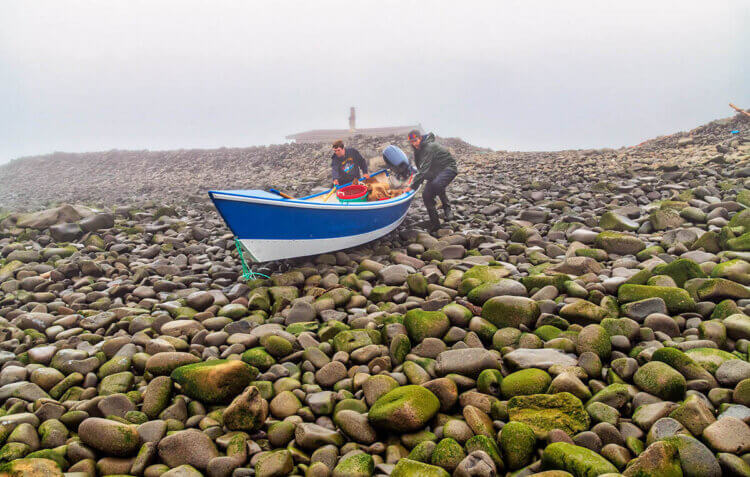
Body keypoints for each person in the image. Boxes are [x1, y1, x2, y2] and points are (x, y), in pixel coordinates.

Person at [405, 130, 458, 231]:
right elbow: (420, 169)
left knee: (437, 184)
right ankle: (436, 226)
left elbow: (423, 170)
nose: (414, 143)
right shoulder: (417, 149)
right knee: (426, 196)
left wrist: (412, 186)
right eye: (411, 141)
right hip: (435, 172)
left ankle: (447, 207)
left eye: (415, 140)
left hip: (448, 168)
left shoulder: (428, 147)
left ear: (420, 138)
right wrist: (417, 181)